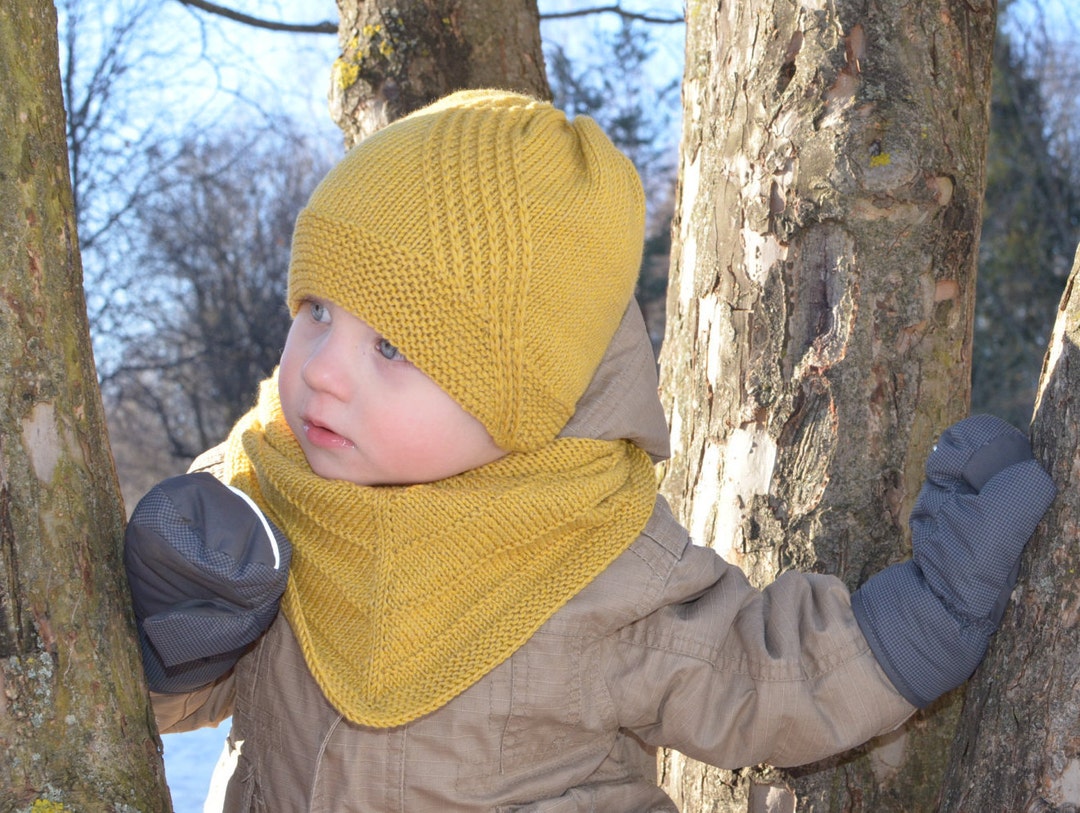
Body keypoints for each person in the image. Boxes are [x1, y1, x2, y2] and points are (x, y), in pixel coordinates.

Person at [124, 89, 1057, 812]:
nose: (322, 368)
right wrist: (175, 639)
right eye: (318, 309)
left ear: (520, 395)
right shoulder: (261, 488)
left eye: (394, 348)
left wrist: (927, 617)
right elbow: (134, 709)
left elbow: (750, 678)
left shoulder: (589, 557)